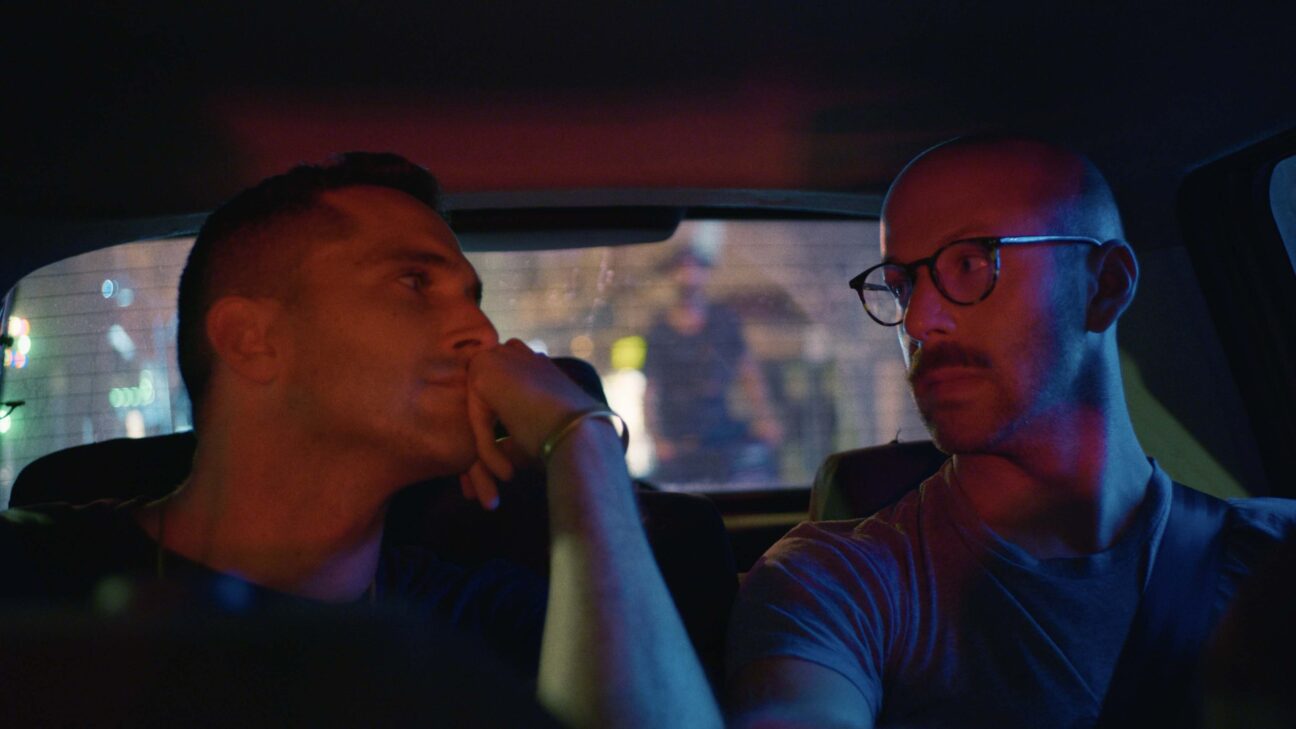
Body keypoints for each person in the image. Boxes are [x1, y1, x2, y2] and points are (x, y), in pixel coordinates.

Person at [0, 153, 721, 729]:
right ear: (252, 340)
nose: (483, 333)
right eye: (413, 282)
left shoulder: (490, 625)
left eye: (474, 299)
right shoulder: (29, 584)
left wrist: (582, 443)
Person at [725, 136, 1296, 728]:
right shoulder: (837, 582)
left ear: (1105, 286)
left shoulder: (1274, 555)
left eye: (970, 264)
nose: (918, 320)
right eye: (902, 286)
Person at [644, 246, 783, 484]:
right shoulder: (659, 331)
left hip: (720, 431)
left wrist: (765, 417)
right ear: (670, 274)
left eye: (694, 267)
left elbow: (748, 372)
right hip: (678, 440)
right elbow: (650, 389)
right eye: (681, 268)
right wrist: (657, 439)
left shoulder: (723, 321)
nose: (688, 275)